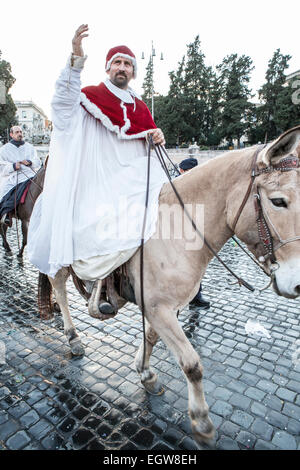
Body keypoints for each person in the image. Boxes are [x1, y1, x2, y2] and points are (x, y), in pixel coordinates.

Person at [27, 25, 168, 312]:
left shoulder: (142, 109)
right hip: (98, 178)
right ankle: (98, 284)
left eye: (128, 63)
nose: (122, 67)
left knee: (165, 208)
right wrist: (76, 59)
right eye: (117, 62)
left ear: (133, 72)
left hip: (132, 177)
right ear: (107, 68)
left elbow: (148, 142)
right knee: (97, 220)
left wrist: (157, 136)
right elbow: (62, 106)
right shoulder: (89, 97)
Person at [178, 157, 210, 309]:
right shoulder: (176, 184)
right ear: (182, 171)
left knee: (197, 266)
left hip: (195, 231)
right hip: (178, 232)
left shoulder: (200, 185)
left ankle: (196, 296)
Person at [0, 126, 41, 225]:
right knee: (4, 192)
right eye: (17, 132)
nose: (20, 134)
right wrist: (13, 166)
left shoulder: (29, 147)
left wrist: (30, 162)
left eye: (21, 132)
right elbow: (1, 166)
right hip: (13, 177)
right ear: (11, 134)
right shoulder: (4, 149)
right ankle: (5, 214)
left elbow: (38, 161)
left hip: (29, 175)